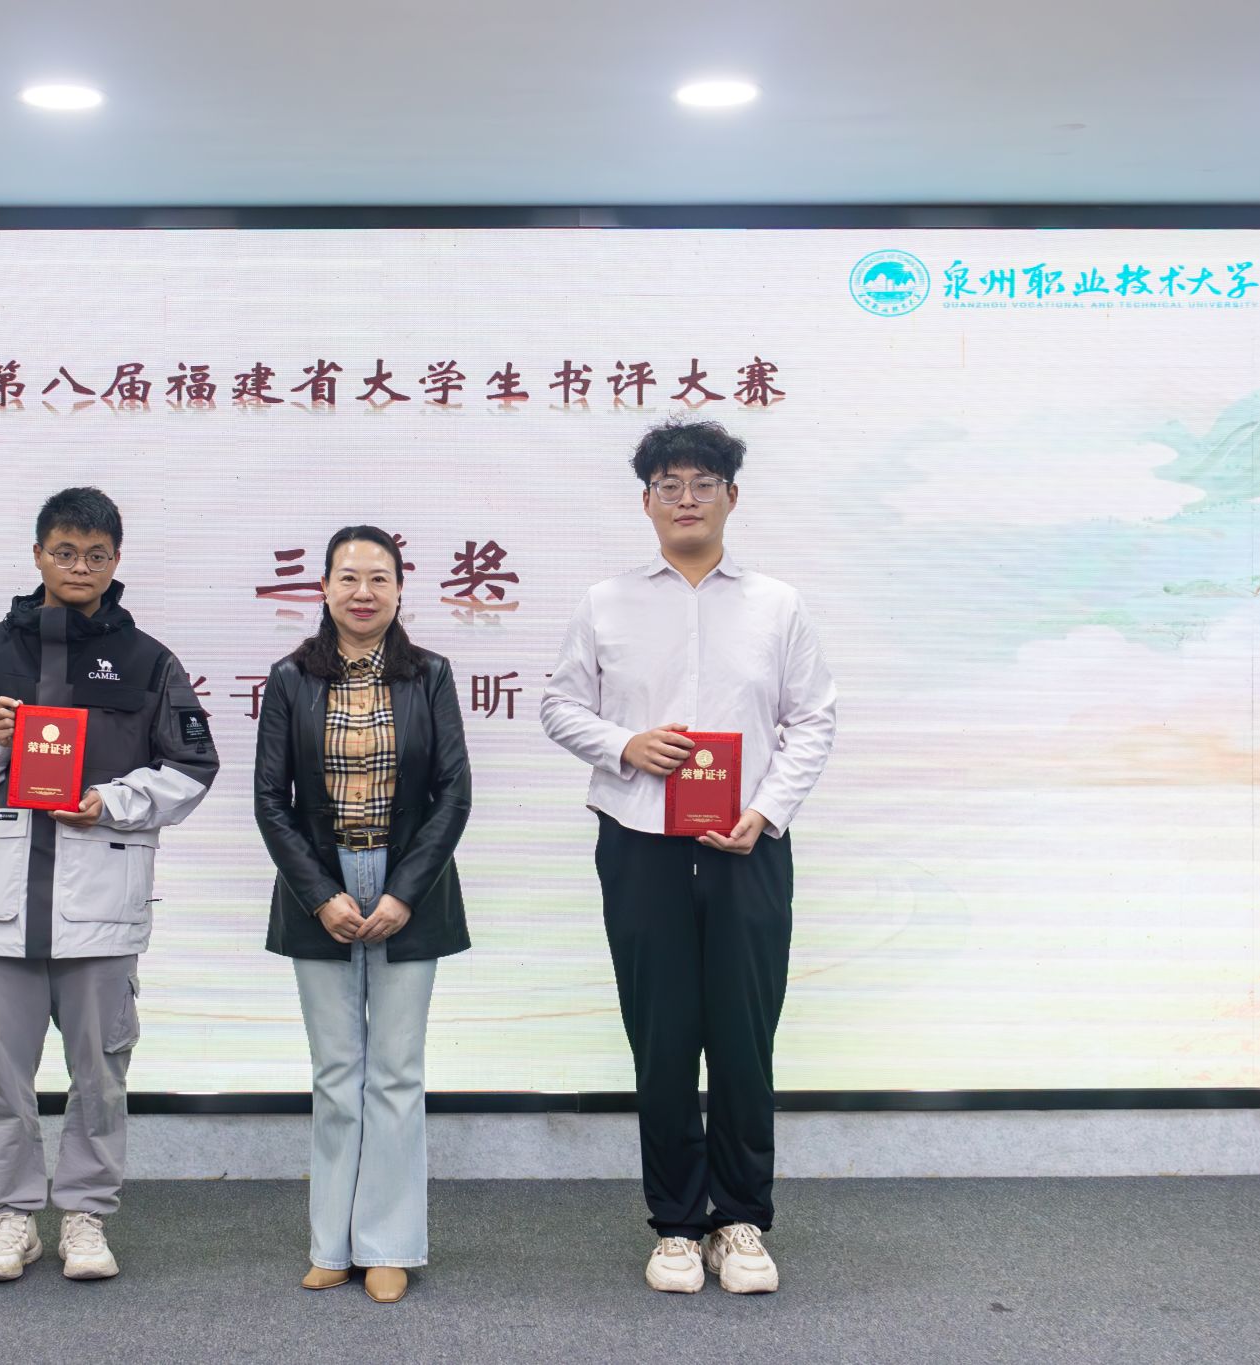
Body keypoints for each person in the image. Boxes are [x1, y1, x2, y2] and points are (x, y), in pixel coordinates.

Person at [541, 419, 836, 1296]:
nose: (686, 499)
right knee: (662, 1035)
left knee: (743, 1035)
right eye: (668, 485)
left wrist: (766, 811)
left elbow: (812, 719)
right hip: (641, 843)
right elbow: (559, 706)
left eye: (704, 483)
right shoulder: (605, 602)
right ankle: (675, 1222)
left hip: (748, 845)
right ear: (646, 502)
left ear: (731, 497)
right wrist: (624, 745)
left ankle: (740, 1219)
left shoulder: (777, 604)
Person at [0, 486, 219, 1284]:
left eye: (96, 555)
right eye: (66, 552)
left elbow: (191, 769)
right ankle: (11, 1215)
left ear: (116, 560)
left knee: (100, 1074)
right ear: (38, 553)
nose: (80, 567)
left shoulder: (149, 662)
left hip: (100, 906)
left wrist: (111, 801)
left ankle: (85, 1213)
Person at [254, 525, 473, 1304]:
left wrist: (403, 891)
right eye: (347, 577)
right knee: (337, 1072)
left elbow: (454, 792)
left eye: (379, 577)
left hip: (410, 883)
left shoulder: (430, 675)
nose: (363, 592)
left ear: (400, 589)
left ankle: (388, 1243)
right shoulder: (290, 678)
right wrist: (321, 894)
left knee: (397, 1070)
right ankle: (331, 1243)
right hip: (320, 884)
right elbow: (270, 800)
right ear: (323, 588)